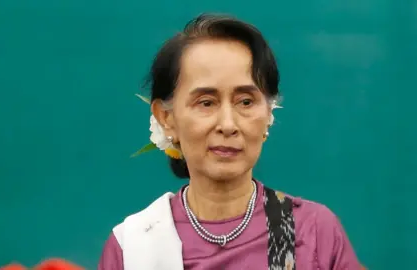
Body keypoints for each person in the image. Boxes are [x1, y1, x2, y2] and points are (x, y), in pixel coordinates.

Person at [98, 13, 361, 270]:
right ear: (167, 118)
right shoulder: (135, 248)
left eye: (246, 102)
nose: (228, 124)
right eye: (206, 103)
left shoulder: (311, 233)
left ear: (269, 112)